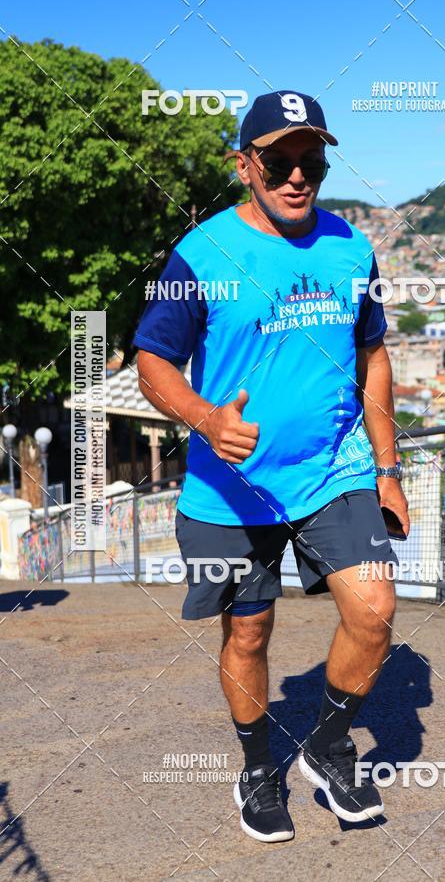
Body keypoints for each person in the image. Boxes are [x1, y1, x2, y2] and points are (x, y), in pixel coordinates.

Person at [133, 90, 410, 844]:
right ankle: (257, 765)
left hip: (333, 469)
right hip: (232, 490)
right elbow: (151, 360)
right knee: (249, 635)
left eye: (310, 162)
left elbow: (373, 353)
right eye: (278, 161)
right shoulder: (202, 254)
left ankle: (327, 744)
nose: (296, 176)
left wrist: (386, 468)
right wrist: (205, 418)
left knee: (375, 611)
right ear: (244, 164)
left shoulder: (352, 245)